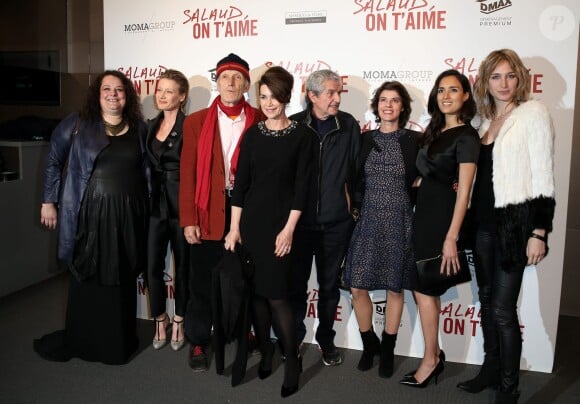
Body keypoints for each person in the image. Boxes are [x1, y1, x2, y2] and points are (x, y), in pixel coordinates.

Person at [456, 49, 555, 404]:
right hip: (481, 228)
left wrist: (539, 232)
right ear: (485, 80)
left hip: (514, 229)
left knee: (502, 310)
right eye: (495, 76)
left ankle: (509, 389)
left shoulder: (533, 114)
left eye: (510, 75)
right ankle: (490, 369)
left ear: (520, 78)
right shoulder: (482, 123)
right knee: (485, 301)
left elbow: (543, 178)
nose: (503, 83)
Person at [35, 70, 149, 365]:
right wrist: (49, 200)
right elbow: (53, 161)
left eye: (120, 90)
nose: (113, 94)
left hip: (127, 216)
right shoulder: (76, 124)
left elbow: (148, 173)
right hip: (89, 214)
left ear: (128, 96)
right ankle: (85, 341)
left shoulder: (140, 128)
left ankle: (118, 341)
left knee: (121, 275)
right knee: (88, 273)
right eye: (107, 89)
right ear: (97, 95)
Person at [224, 66, 314, 398]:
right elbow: (241, 186)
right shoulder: (253, 134)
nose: (268, 103)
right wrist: (234, 229)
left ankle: (292, 360)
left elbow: (303, 189)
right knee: (257, 296)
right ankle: (266, 350)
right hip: (252, 227)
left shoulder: (303, 136)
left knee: (277, 296)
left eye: (274, 97)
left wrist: (289, 230)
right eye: (263, 97)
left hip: (282, 226)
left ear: (286, 97)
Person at [179, 53, 262, 372]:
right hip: (208, 209)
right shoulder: (196, 121)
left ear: (246, 84)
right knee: (202, 280)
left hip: (249, 211)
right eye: (225, 76)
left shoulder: (259, 118)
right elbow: (187, 174)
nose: (230, 82)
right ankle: (199, 339)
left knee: (247, 278)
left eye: (237, 77)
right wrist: (189, 219)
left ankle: (241, 333)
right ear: (217, 81)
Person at [399, 69, 479, 387]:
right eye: (441, 90)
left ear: (465, 96)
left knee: (426, 290)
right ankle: (433, 355)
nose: (446, 96)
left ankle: (431, 359)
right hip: (424, 217)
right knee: (422, 291)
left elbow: (465, 193)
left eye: (453, 90)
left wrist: (451, 237)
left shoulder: (467, 138)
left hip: (443, 221)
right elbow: (425, 176)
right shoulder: (434, 132)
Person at [343, 81, 419, 377]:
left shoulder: (415, 140)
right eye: (383, 100)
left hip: (399, 220)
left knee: (394, 288)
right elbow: (351, 178)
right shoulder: (364, 139)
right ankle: (368, 342)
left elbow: (429, 174)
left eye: (395, 100)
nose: (388, 105)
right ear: (376, 106)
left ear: (403, 107)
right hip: (369, 219)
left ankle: (387, 351)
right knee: (357, 287)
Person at [288, 69, 361, 366]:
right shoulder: (293, 126)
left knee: (330, 286)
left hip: (336, 223)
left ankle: (326, 339)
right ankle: (293, 336)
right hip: (300, 225)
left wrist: (352, 211)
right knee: (297, 285)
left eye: (338, 92)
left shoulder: (348, 125)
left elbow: (357, 171)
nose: (336, 98)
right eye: (330, 92)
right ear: (312, 95)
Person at [145, 69, 190, 351]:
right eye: (159, 90)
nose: (161, 95)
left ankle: (180, 319)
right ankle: (159, 318)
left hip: (181, 205)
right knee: (152, 266)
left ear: (182, 96)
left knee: (183, 266)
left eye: (169, 91)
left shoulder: (191, 126)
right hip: (153, 206)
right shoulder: (149, 126)